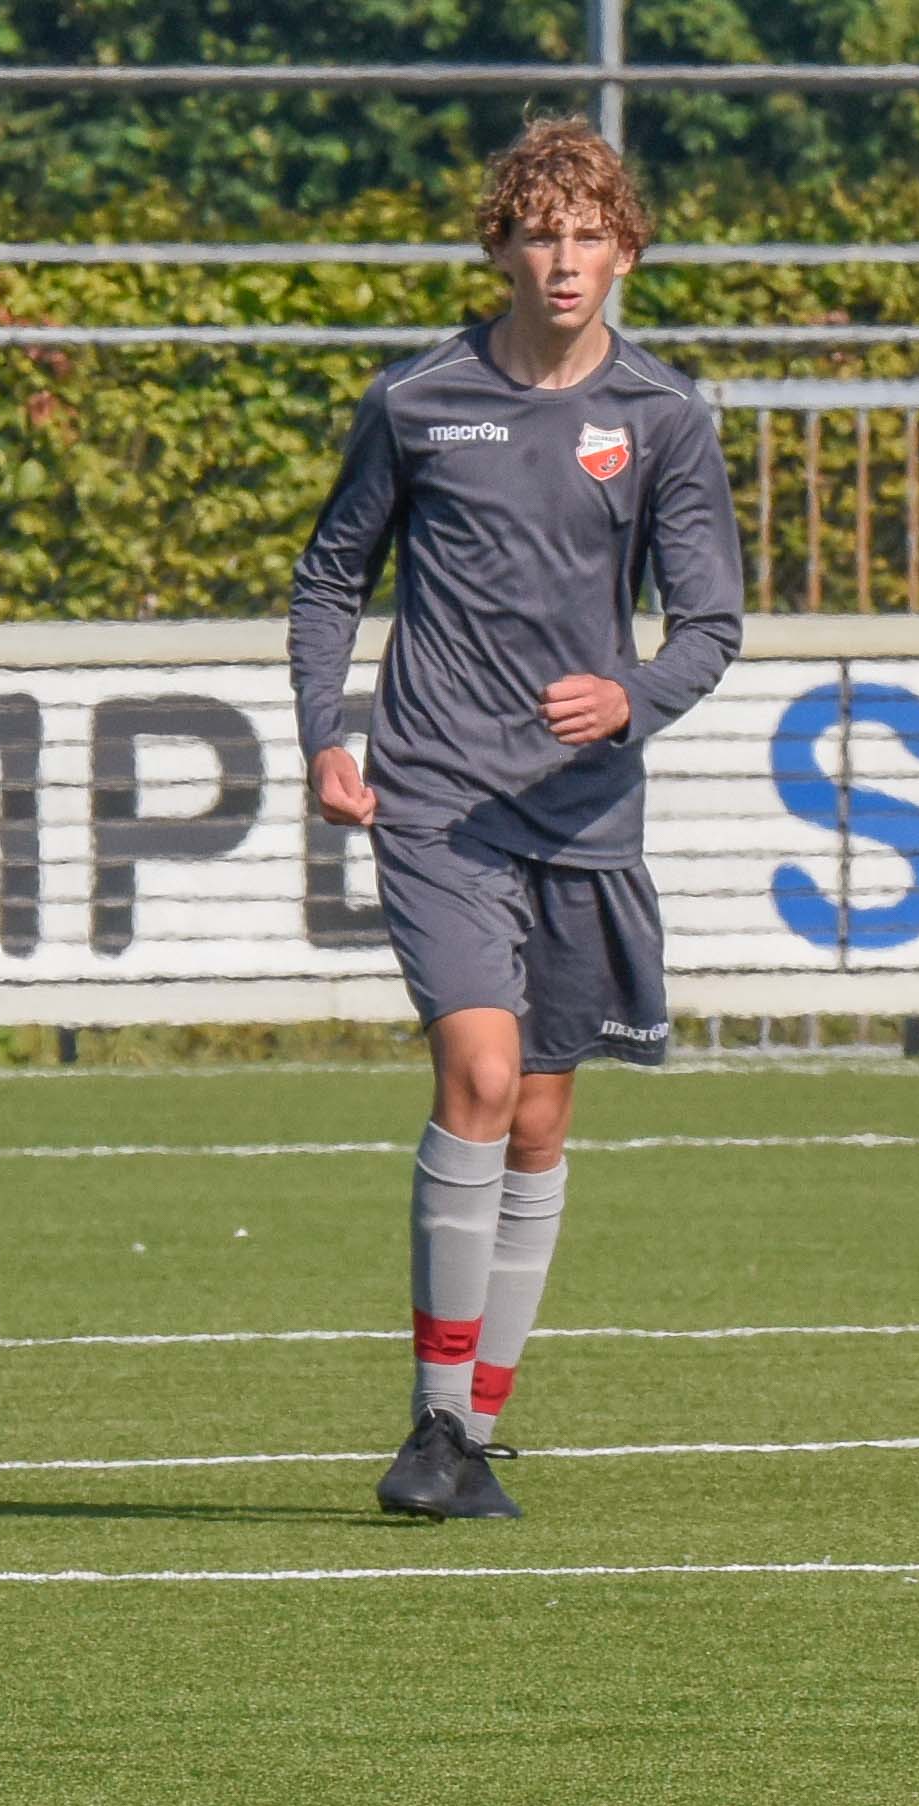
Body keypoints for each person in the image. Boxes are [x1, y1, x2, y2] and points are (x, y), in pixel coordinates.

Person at [289, 118, 742, 1520]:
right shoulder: (419, 399)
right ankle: (434, 1425)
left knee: (539, 1117)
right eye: (540, 234)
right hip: (436, 798)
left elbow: (711, 623)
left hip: (583, 817)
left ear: (626, 252)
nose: (564, 259)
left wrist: (631, 697)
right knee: (479, 1076)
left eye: (589, 235)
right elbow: (331, 575)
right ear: (499, 246)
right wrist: (323, 735)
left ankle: (475, 1430)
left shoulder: (664, 416)